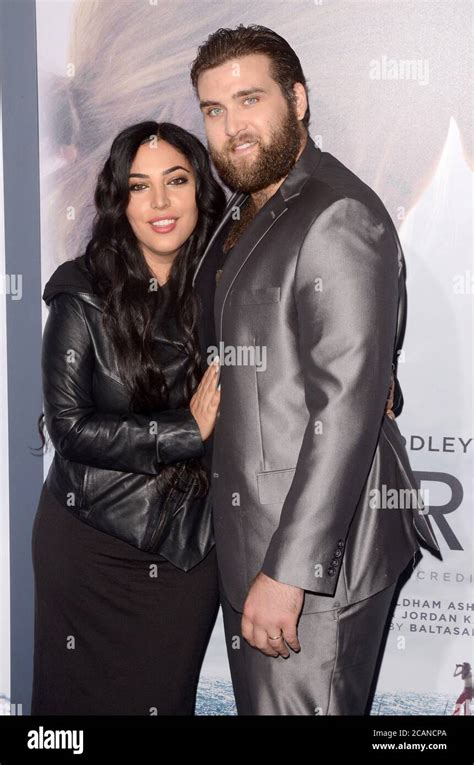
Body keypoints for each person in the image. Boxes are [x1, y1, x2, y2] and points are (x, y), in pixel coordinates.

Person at [190, 24, 441, 715]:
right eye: (214, 110)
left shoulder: (337, 213)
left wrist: (288, 572)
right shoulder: (254, 206)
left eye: (249, 100)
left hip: (314, 565)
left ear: (298, 98)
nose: (231, 126)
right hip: (261, 541)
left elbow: (346, 407)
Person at [31, 121, 225, 715]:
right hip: (89, 544)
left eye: (176, 181)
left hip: (184, 553)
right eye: (140, 187)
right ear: (120, 201)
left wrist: (380, 376)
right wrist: (184, 431)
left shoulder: (230, 286)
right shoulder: (81, 293)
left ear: (202, 191)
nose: (160, 203)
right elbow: (67, 426)